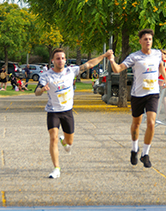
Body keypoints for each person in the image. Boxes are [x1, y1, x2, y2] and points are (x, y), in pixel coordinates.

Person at [35, 48, 112, 179]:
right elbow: (36, 92)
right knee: (53, 137)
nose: (60, 61)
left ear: (65, 60)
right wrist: (42, 90)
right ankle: (56, 168)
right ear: (53, 60)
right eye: (57, 58)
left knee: (69, 142)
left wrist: (104, 55)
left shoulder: (71, 71)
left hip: (67, 112)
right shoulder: (46, 75)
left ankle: (65, 142)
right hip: (53, 112)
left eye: (62, 58)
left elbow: (89, 64)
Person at [108, 29, 166, 168]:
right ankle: (134, 149)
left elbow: (161, 64)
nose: (148, 41)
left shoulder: (157, 54)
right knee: (136, 123)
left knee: (151, 123)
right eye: (145, 39)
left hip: (153, 93)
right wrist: (112, 61)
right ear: (140, 41)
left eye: (150, 39)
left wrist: (165, 78)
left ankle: (145, 154)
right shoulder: (134, 57)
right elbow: (118, 69)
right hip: (138, 94)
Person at [158, 49, 166, 120]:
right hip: (164, 82)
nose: (161, 55)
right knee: (164, 100)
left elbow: (160, 73)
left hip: (161, 83)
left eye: (162, 54)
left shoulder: (164, 63)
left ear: (165, 54)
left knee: (159, 100)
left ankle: (156, 116)